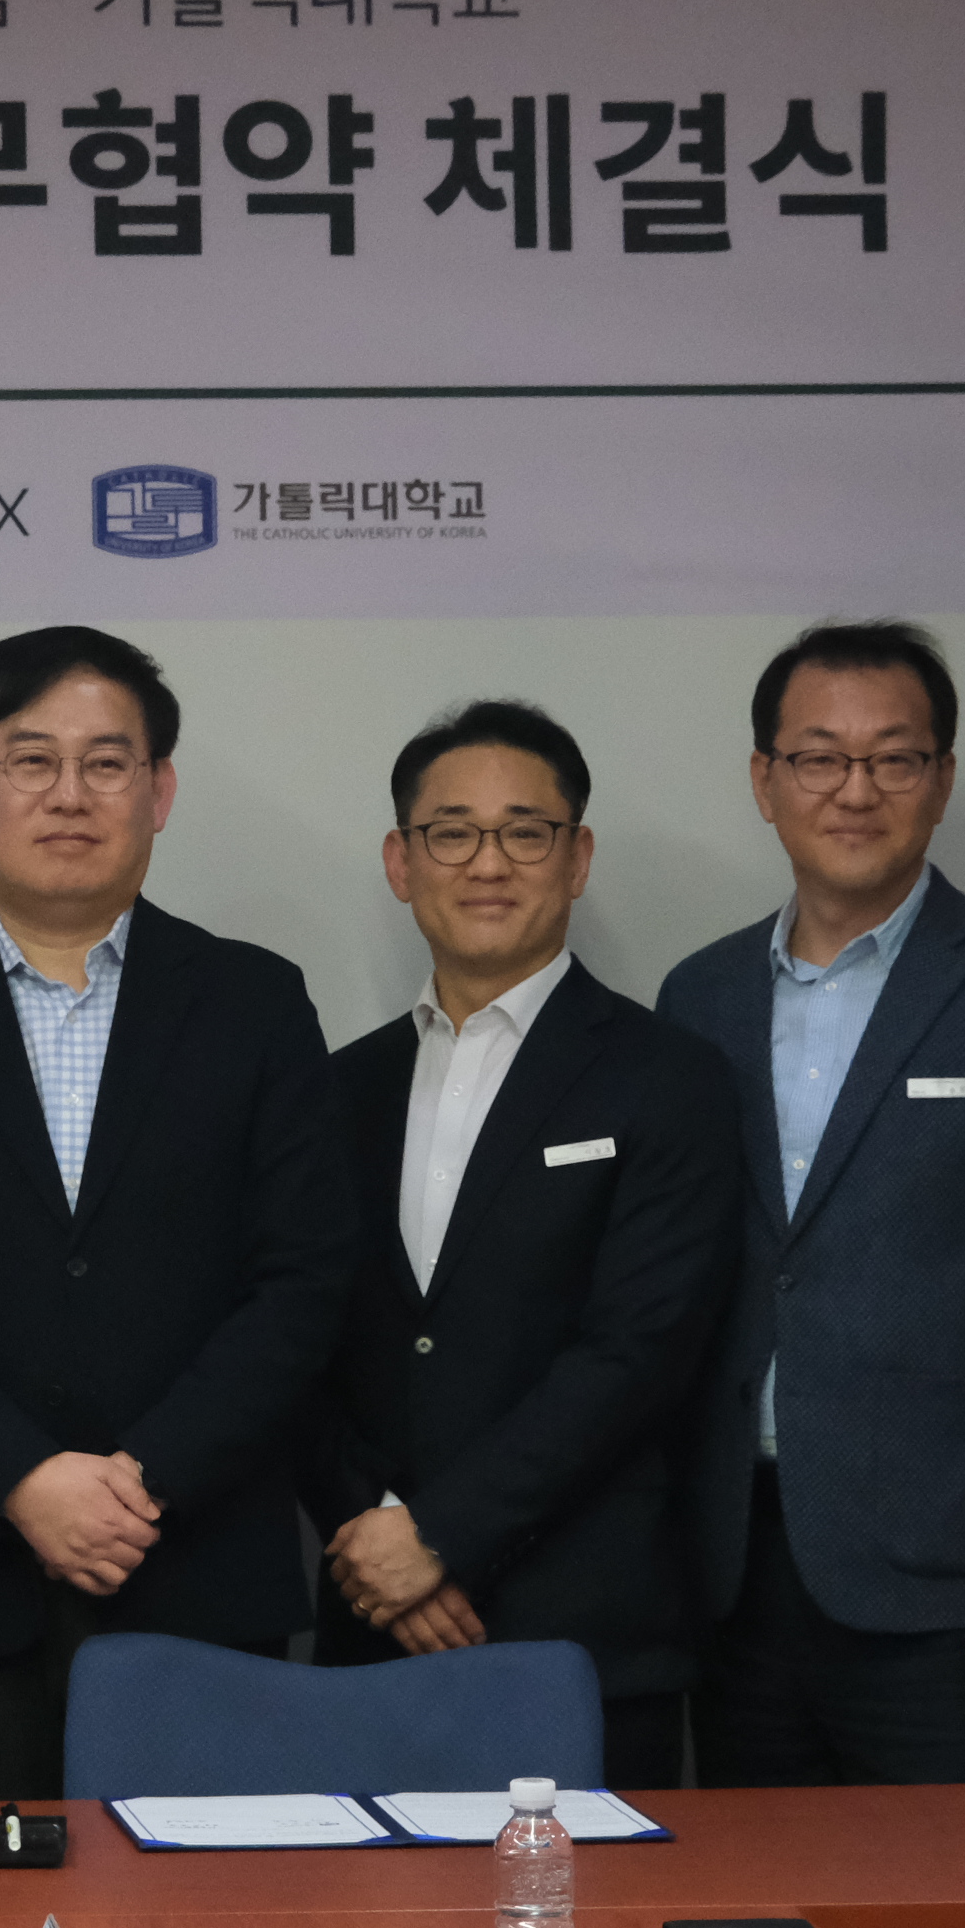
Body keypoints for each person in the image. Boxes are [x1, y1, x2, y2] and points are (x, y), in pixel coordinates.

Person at [0, 626, 361, 1803]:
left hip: (199, 1566)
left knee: (205, 1913)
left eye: (107, 762)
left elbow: (304, 1280)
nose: (69, 794)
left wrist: (145, 1478)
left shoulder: (256, 1003)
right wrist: (22, 1478)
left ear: (159, 792)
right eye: (30, 759)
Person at [654, 619, 965, 1804]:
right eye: (819, 757)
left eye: (894, 758)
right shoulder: (699, 994)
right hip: (737, 1565)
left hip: (957, 1587)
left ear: (943, 778)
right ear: (765, 779)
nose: (855, 789)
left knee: (962, 1912)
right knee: (763, 1905)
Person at [306, 701, 744, 1792]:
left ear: (578, 856)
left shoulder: (667, 1075)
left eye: (526, 831)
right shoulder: (336, 1089)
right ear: (402, 862)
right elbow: (295, 1333)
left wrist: (440, 1535)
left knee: (586, 1912)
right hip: (372, 1627)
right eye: (452, 832)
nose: (488, 862)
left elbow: (638, 1352)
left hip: (583, 1630)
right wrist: (376, 1536)